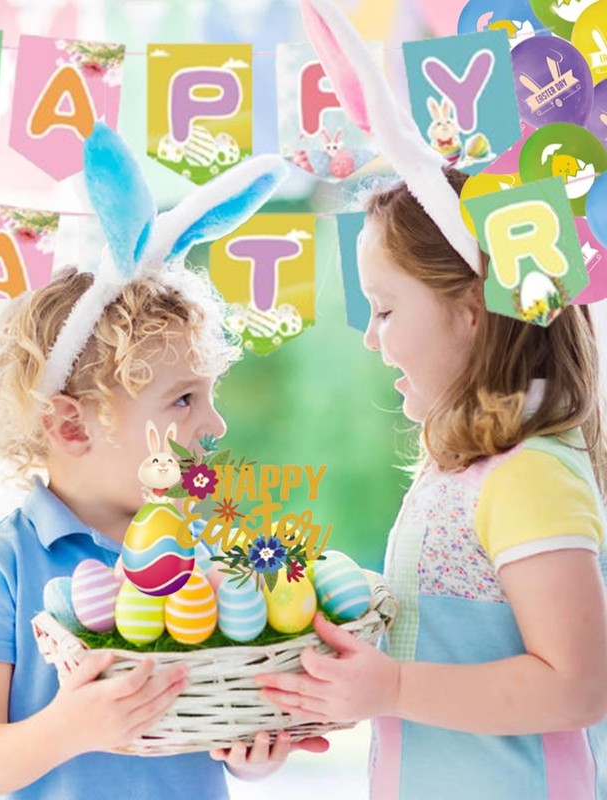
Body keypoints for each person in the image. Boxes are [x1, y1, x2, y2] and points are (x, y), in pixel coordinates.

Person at [0, 123, 323, 798]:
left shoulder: (203, 552)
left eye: (208, 396)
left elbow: (217, 713)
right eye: (183, 399)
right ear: (71, 426)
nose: (215, 424)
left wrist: (253, 751)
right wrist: (70, 728)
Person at [256, 167, 607, 799]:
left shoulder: (528, 475)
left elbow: (577, 685)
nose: (370, 338)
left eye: (385, 309)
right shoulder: (464, 472)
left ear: (472, 312)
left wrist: (392, 688)